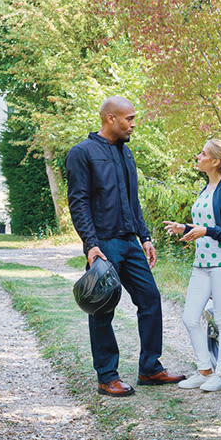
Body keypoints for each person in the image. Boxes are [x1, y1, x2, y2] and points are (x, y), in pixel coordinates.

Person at [66, 96, 185, 397]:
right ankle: (107, 376)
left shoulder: (126, 153)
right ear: (110, 119)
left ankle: (150, 367)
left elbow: (133, 201)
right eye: (129, 118)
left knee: (150, 299)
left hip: (130, 243)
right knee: (103, 308)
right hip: (103, 245)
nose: (133, 124)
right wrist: (90, 245)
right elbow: (78, 202)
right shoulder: (82, 153)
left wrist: (145, 237)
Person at [162, 139, 221, 392]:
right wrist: (185, 228)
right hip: (201, 264)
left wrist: (205, 231)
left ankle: (220, 375)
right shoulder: (205, 190)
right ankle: (204, 371)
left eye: (203, 153)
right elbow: (205, 227)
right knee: (189, 318)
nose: (198, 157)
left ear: (216, 161)